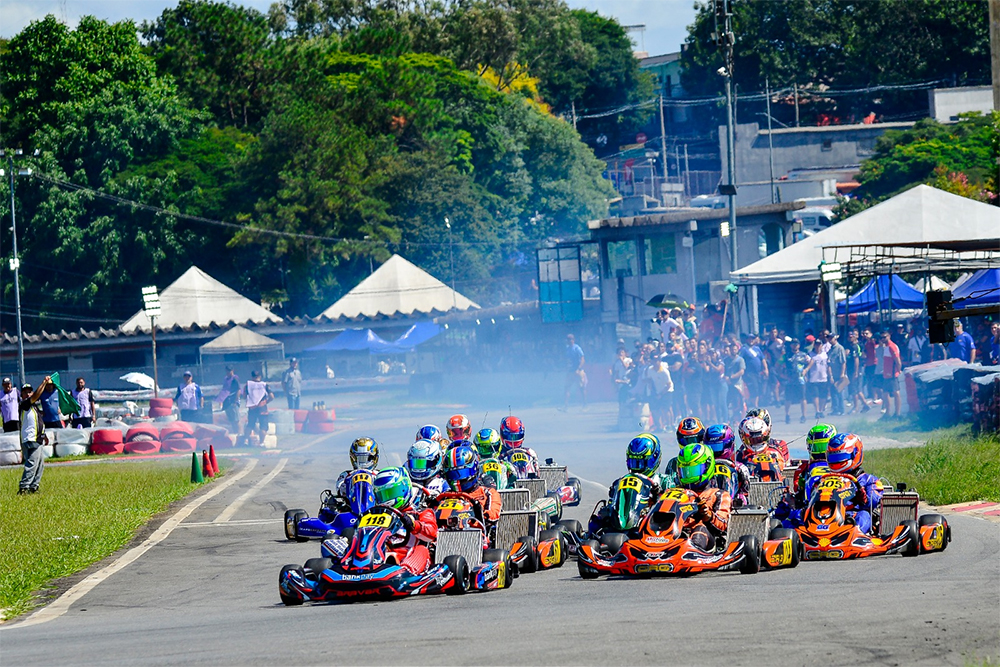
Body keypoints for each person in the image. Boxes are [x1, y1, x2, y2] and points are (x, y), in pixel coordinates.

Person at [371, 467, 438, 575]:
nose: (387, 499)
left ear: (404, 489)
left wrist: (413, 525)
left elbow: (432, 535)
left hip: (409, 555)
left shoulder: (421, 512)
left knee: (422, 550)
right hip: (383, 555)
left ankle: (404, 573)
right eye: (382, 495)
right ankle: (355, 568)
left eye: (391, 493)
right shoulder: (377, 515)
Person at [675, 443, 732, 552]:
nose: (689, 477)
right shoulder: (675, 493)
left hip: (706, 535)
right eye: (686, 472)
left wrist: (708, 515)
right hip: (676, 533)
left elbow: (724, 524)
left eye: (694, 471)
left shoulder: (718, 494)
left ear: (707, 468)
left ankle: (692, 551)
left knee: (699, 530)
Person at [826, 433, 883, 534]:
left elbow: (872, 503)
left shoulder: (869, 480)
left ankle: (852, 535)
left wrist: (861, 498)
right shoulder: (826, 480)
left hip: (854, 515)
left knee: (863, 515)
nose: (837, 461)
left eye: (841, 456)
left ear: (855, 454)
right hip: (829, 516)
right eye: (833, 458)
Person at [441, 444, 502, 523]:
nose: (459, 479)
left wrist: (477, 513)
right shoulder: (444, 496)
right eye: (454, 474)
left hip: (476, 531)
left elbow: (493, 515)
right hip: (444, 531)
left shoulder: (488, 493)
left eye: (462, 473)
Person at [704, 424, 750, 507]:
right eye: (712, 447)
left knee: (742, 498)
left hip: (733, 502)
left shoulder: (740, 467)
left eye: (718, 447)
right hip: (707, 501)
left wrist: (739, 474)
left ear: (729, 445)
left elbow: (746, 489)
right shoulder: (703, 466)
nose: (715, 451)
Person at [18, 378, 50, 495]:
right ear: (21, 394)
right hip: (30, 438)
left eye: (29, 391)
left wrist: (44, 435)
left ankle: (33, 486)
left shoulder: (34, 407)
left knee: (40, 464)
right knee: (32, 464)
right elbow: (37, 395)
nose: (27, 393)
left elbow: (37, 422)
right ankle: (24, 487)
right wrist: (44, 383)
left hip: (37, 438)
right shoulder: (24, 404)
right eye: (25, 392)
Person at [643, 354, 674, 431]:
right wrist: (651, 389)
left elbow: (668, 385)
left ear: (660, 361)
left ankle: (670, 425)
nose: (655, 362)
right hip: (656, 390)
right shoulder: (650, 369)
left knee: (666, 408)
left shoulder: (664, 371)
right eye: (654, 360)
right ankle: (659, 426)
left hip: (667, 390)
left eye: (657, 361)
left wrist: (661, 394)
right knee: (655, 409)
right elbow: (649, 379)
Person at [783, 339, 809, 424]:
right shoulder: (786, 355)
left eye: (796, 344)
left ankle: (804, 415)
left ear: (799, 345)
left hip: (800, 379)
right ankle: (787, 415)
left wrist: (806, 370)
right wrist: (782, 375)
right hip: (790, 380)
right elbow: (777, 365)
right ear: (791, 345)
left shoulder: (803, 355)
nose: (795, 345)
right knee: (788, 399)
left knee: (803, 398)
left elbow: (811, 361)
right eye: (793, 344)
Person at [243, 370, 273, 445]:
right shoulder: (264, 385)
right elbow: (272, 396)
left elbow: (244, 396)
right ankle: (261, 443)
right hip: (262, 408)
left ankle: (246, 440)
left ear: (252, 377)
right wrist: (266, 402)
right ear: (260, 376)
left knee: (250, 424)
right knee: (263, 426)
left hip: (252, 408)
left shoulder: (247, 385)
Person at [878, 330, 902, 418]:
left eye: (885, 337)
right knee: (885, 393)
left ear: (889, 336)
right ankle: (887, 413)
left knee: (895, 392)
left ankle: (897, 413)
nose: (883, 339)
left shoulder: (892, 346)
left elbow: (898, 361)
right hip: (886, 374)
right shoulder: (886, 347)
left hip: (892, 374)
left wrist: (899, 371)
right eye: (881, 338)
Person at [804, 337, 829, 418]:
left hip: (824, 377)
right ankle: (817, 410)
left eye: (819, 345)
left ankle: (821, 410)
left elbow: (828, 366)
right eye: (816, 345)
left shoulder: (825, 355)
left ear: (822, 346)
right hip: (814, 378)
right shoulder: (810, 355)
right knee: (815, 395)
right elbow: (807, 364)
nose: (818, 346)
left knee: (823, 396)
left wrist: (830, 375)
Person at [846, 329, 870, 414]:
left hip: (856, 369)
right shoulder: (849, 346)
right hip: (851, 369)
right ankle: (864, 405)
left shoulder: (855, 346)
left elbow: (856, 359)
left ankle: (857, 407)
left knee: (855, 388)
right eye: (849, 337)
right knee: (854, 388)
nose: (850, 338)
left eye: (851, 337)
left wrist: (856, 372)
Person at [723, 342, 747, 421]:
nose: (733, 350)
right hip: (728, 384)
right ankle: (727, 419)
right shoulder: (726, 360)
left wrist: (731, 377)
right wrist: (726, 377)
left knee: (737, 402)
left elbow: (741, 371)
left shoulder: (740, 360)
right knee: (727, 401)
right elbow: (724, 370)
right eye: (732, 349)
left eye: (735, 349)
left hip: (737, 385)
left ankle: (737, 419)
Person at [611, 346, 634, 424]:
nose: (621, 354)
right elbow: (616, 373)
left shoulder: (629, 360)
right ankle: (622, 416)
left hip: (628, 381)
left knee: (628, 399)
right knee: (621, 400)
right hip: (621, 382)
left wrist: (622, 360)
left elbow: (627, 368)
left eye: (622, 352)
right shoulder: (617, 363)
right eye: (619, 353)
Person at [564, 334, 587, 409]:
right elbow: (567, 360)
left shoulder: (577, 348)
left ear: (573, 340)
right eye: (568, 339)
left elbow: (583, 359)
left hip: (577, 370)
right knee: (567, 387)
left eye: (571, 339)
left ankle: (584, 404)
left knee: (581, 388)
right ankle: (566, 406)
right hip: (570, 371)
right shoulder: (567, 349)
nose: (569, 341)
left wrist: (579, 368)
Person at [825, 333, 846, 416]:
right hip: (832, 374)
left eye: (831, 338)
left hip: (838, 373)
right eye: (828, 338)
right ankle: (835, 409)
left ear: (835, 338)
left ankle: (841, 409)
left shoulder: (839, 348)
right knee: (833, 392)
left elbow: (843, 362)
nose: (830, 340)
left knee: (839, 391)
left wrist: (842, 373)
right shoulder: (830, 349)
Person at [218, 366, 241, 434]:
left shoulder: (235, 378)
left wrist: (235, 401)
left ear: (232, 370)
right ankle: (235, 433)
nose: (228, 372)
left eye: (230, 371)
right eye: (227, 371)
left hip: (233, 402)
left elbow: (238, 390)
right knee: (231, 420)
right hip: (227, 402)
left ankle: (240, 434)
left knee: (236, 420)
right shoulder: (225, 379)